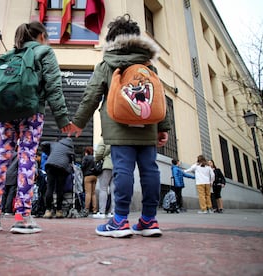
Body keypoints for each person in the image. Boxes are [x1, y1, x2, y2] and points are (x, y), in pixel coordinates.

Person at [67, 14, 171, 238]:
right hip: (147, 125)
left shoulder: (107, 63)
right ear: (136, 39)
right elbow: (159, 97)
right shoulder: (148, 65)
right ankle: (149, 220)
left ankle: (120, 220)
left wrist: (78, 122)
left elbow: (91, 95)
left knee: (122, 170)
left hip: (118, 126)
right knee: (150, 170)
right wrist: (163, 127)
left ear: (112, 40)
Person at [0, 21, 72, 234]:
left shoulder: (10, 54)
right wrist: (62, 119)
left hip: (6, 113)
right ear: (41, 36)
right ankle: (22, 217)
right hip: (31, 112)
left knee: (1, 157)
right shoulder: (44, 52)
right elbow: (53, 86)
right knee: (27, 157)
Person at [42, 138, 75, 219]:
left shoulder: (54, 144)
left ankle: (48, 211)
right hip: (62, 168)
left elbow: (43, 143)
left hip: (50, 165)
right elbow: (72, 160)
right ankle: (59, 211)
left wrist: (49, 153)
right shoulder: (70, 149)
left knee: (50, 188)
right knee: (59, 189)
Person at [93, 137, 114, 219]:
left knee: (103, 188)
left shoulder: (105, 139)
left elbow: (99, 153)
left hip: (107, 165)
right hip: (117, 165)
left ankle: (102, 212)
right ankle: (113, 212)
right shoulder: (118, 139)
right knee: (114, 190)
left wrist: (97, 159)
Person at [81, 146, 98, 216]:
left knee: (88, 193)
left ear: (86, 152)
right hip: (94, 176)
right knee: (93, 193)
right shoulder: (94, 158)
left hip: (87, 176)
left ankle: (86, 209)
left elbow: (82, 166)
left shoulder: (86, 158)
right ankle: (95, 210)